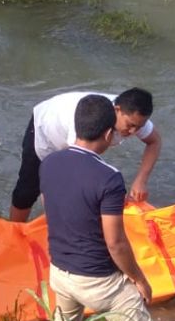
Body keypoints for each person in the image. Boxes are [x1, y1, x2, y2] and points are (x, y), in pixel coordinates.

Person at [41, 94, 172, 321]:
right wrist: (139, 278)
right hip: (100, 282)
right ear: (108, 134)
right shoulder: (108, 177)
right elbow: (115, 242)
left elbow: (51, 208)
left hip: (60, 269)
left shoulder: (49, 163)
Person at [9, 88, 162, 222]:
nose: (133, 132)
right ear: (117, 110)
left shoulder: (133, 116)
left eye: (139, 127)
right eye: (130, 125)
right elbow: (78, 163)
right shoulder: (88, 121)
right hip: (45, 130)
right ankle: (15, 231)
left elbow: (154, 142)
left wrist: (140, 181)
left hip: (76, 143)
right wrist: (107, 196)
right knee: (27, 191)